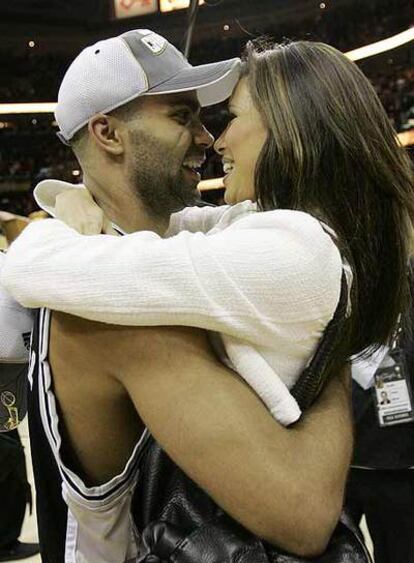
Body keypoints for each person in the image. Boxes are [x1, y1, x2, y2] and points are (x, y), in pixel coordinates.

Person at [3, 30, 409, 562]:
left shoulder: (175, 263)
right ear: (108, 133)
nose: (209, 137)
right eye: (181, 116)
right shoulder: (122, 314)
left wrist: (44, 225)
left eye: (219, 118)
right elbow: (304, 512)